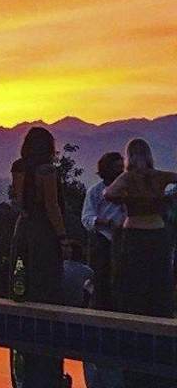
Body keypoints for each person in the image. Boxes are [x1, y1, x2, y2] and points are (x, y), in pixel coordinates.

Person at [103, 138, 177, 388]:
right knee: (160, 285)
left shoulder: (128, 178)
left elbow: (108, 193)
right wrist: (161, 198)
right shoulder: (159, 176)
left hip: (134, 236)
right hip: (158, 234)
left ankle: (135, 341)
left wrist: (130, 198)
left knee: (134, 289)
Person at [10, 127, 70, 388]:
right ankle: (48, 370)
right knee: (46, 288)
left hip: (22, 229)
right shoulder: (47, 171)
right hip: (43, 232)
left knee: (22, 282)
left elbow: (18, 202)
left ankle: (24, 361)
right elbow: (52, 205)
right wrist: (63, 237)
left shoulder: (18, 167)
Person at [81, 152, 126, 310]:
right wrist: (107, 223)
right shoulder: (95, 191)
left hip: (125, 240)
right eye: (116, 168)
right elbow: (87, 218)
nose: (120, 171)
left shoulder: (128, 190)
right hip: (102, 241)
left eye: (122, 167)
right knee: (101, 281)